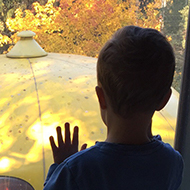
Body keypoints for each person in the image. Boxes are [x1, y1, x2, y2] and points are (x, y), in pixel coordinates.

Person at [43, 26, 183, 190]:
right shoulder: (172, 162)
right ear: (164, 100)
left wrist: (60, 167)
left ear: (101, 97)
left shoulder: (77, 171)